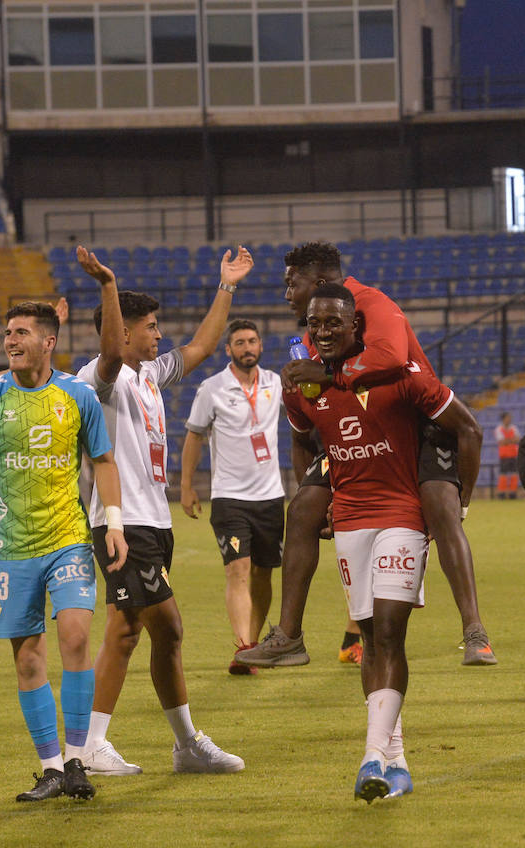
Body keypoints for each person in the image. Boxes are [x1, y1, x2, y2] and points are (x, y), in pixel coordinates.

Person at [237, 241, 495, 669]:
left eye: (291, 283)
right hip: (353, 436)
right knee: (301, 510)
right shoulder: (311, 336)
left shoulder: (371, 302)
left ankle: (474, 631)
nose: (286, 294)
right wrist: (321, 490)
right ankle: (289, 636)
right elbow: (303, 433)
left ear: (319, 282)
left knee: (441, 508)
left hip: (415, 424)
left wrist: (327, 373)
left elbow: (391, 358)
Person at [286, 282, 482, 802]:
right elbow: (302, 437)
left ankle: (370, 758)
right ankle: (395, 759)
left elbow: (468, 429)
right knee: (371, 640)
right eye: (315, 324)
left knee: (391, 633)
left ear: (356, 326)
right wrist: (316, 488)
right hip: (351, 520)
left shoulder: (401, 376)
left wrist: (457, 502)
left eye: (334, 322)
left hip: (402, 516)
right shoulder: (302, 385)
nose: (323, 331)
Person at [0, 296, 124, 800]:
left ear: (48, 342)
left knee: (76, 637)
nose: (10, 340)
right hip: (10, 547)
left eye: (20, 333)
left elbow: (102, 460)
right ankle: (51, 768)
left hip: (68, 538)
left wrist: (114, 523)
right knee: (28, 658)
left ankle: (78, 759)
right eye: (7, 333)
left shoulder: (78, 394)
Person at [73, 247, 246, 778]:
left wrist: (227, 286)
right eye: (149, 327)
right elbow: (108, 355)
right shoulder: (100, 376)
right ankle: (105, 745)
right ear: (121, 332)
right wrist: (108, 285)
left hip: (155, 522)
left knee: (144, 632)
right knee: (153, 627)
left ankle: (171, 746)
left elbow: (201, 346)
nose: (158, 335)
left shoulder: (150, 374)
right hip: (120, 523)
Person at [180, 319, 288, 673]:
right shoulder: (212, 388)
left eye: (252, 341)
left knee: (263, 574)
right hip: (229, 498)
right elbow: (195, 436)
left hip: (271, 497)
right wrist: (186, 485)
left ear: (260, 345)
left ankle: (253, 643)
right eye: (239, 343)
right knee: (237, 571)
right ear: (228, 350)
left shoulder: (275, 383)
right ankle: (244, 648)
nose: (246, 348)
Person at [494, 411, 520, 498]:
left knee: (514, 474)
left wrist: (507, 441)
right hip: (504, 456)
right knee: (503, 475)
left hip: (513, 455)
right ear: (503, 419)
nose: (509, 419)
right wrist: (511, 440)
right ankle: (502, 493)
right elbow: (501, 442)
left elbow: (517, 439)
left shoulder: (514, 428)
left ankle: (513, 493)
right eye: (507, 418)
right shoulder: (499, 429)